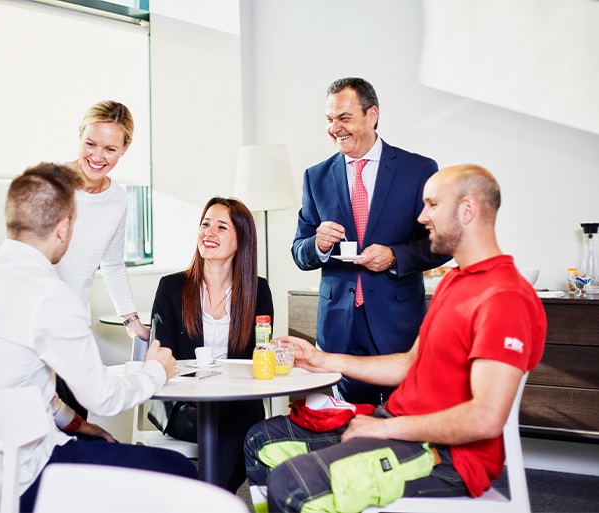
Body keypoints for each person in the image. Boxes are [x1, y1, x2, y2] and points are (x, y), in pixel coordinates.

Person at [244, 165, 546, 513]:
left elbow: (486, 417)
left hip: (445, 457)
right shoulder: (455, 282)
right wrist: (323, 359)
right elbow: (409, 363)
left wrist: (388, 430)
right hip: (399, 426)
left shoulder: (505, 297)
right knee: (261, 440)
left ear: (467, 210)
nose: (422, 216)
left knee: (291, 484)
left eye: (432, 204)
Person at [0, 163, 197, 513]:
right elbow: (104, 398)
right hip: (24, 483)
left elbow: (18, 388)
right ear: (63, 227)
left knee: (104, 446)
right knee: (178, 471)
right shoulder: (50, 295)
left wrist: (79, 424)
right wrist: (156, 370)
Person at [292, 77, 450, 405]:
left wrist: (394, 256)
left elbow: (441, 243)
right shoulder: (316, 177)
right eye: (329, 119)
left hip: (397, 324)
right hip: (339, 326)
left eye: (344, 118)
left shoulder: (418, 170)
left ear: (372, 115)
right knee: (347, 423)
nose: (334, 128)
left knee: (403, 418)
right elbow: (299, 250)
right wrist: (318, 244)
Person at [150, 197, 273, 492]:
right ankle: (216, 499)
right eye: (205, 224)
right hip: (182, 405)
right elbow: (160, 355)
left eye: (221, 226)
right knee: (235, 431)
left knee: (236, 421)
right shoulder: (171, 287)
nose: (209, 232)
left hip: (237, 402)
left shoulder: (258, 291)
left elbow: (261, 355)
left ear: (241, 239)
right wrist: (191, 388)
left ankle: (204, 501)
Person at [53, 100, 150, 424]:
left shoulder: (117, 199)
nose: (97, 157)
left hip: (75, 322)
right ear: (79, 134)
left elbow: (112, 263)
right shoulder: (51, 185)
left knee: (77, 414)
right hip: (37, 317)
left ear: (125, 148)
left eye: (109, 148)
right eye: (90, 144)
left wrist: (132, 322)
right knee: (42, 417)